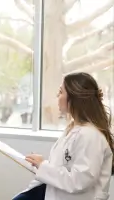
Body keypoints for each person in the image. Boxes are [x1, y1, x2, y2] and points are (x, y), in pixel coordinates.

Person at [13, 72, 114, 200]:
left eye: (61, 92)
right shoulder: (74, 129)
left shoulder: (90, 136)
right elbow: (66, 167)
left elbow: (79, 181)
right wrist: (41, 164)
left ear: (74, 98)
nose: (57, 96)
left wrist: (43, 166)